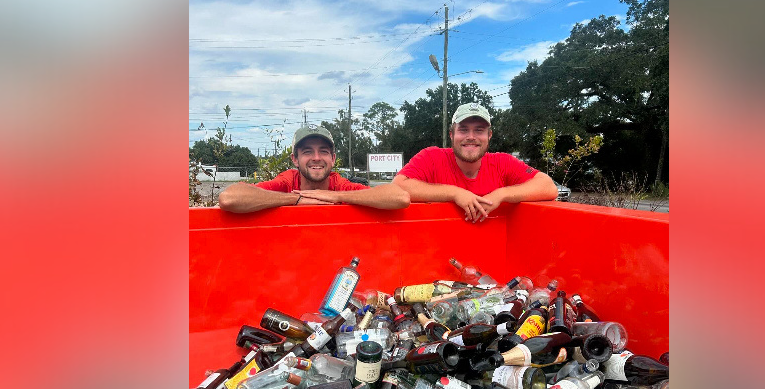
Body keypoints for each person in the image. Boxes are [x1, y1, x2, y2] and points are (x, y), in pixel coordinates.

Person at [393, 103, 557, 222]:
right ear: (451, 134)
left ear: (489, 135)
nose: (471, 136)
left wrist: (500, 195)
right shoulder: (431, 157)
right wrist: (455, 193)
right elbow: (399, 186)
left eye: (479, 130)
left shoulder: (502, 162)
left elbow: (548, 187)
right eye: (463, 129)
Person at [218, 124, 410, 213]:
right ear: (295, 159)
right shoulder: (287, 182)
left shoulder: (339, 185)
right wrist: (296, 199)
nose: (316, 158)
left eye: (323, 151)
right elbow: (230, 198)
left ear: (333, 159)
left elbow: (399, 197)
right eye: (308, 151)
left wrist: (336, 196)